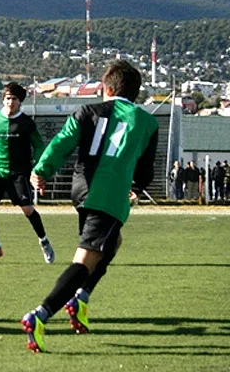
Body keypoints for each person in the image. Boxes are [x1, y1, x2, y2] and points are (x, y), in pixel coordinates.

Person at [20, 60, 158, 353]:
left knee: (112, 242)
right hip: (108, 194)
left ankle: (80, 297)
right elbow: (146, 171)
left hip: (81, 189)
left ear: (107, 88)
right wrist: (135, 188)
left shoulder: (87, 111)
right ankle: (40, 315)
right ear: (135, 94)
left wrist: (41, 171)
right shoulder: (146, 121)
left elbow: (61, 143)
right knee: (86, 260)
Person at [0, 82, 54, 263]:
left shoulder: (27, 123)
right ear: (3, 99)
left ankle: (44, 241)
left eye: (14, 99)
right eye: (7, 98)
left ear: (20, 102)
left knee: (27, 209)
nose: (10, 102)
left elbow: (39, 146)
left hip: (18, 173)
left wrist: (38, 168)